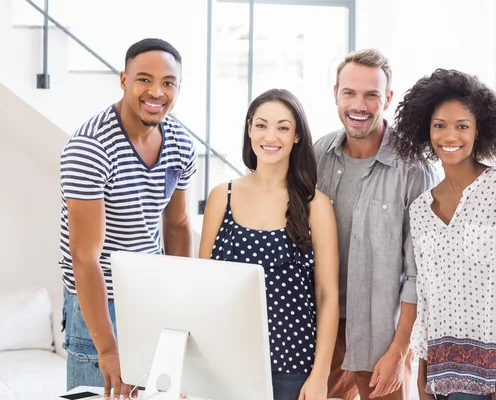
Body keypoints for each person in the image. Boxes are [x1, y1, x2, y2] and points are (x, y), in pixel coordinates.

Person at [59, 38, 197, 399]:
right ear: (124, 80)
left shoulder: (181, 143)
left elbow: (178, 225)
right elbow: (84, 257)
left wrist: (179, 301)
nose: (156, 92)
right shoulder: (91, 147)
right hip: (96, 300)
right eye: (144, 79)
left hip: (148, 294)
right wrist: (107, 348)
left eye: (168, 83)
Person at [391, 68, 496, 400]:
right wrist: (422, 375)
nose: (449, 136)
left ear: (479, 131)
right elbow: (427, 297)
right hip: (441, 373)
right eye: (439, 125)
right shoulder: (420, 209)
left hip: (495, 372)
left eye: (462, 126)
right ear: (426, 130)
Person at [314, 49, 439, 400]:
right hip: (322, 329)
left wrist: (400, 350)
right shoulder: (317, 155)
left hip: (382, 333)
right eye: (350, 92)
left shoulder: (414, 169)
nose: (359, 104)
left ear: (387, 98)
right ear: (335, 94)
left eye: (371, 95)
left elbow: (420, 274)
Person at [199, 88, 339, 400]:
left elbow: (327, 295)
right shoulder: (222, 196)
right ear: (249, 129)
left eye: (283, 127)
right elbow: (204, 288)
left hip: (292, 365)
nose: (270, 136)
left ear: (297, 136)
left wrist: (321, 374)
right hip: (223, 362)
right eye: (261, 125)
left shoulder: (316, 205)